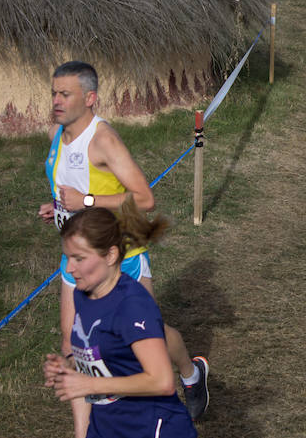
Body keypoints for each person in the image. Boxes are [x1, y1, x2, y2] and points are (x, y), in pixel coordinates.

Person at [38, 62, 209, 437]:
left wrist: (84, 200)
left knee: (152, 338)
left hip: (120, 257)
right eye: (54, 93)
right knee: (74, 345)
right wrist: (58, 206)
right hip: (80, 258)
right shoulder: (57, 134)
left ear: (90, 98)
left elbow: (144, 199)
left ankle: (191, 374)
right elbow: (68, 184)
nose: (56, 101)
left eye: (65, 94)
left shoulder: (103, 140)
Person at [43, 202, 198, 438]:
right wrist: (70, 367)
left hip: (152, 427)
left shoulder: (133, 306)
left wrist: (91, 386)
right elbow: (98, 354)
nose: (70, 268)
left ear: (111, 255)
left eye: (79, 259)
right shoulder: (83, 294)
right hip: (107, 426)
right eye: (67, 258)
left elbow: (162, 381)